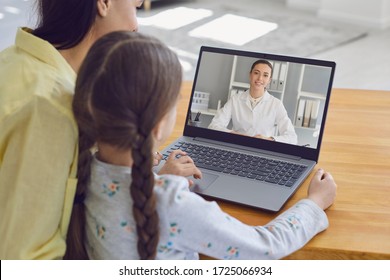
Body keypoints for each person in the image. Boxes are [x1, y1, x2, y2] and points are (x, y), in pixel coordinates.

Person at [65, 31, 337, 260]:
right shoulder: (173, 204)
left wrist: (162, 178)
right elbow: (265, 247)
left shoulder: (81, 171)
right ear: (159, 125)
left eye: (266, 75)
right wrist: (314, 203)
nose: (260, 78)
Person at [0, 0, 198, 260]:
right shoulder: (49, 110)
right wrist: (158, 191)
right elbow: (24, 260)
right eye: (135, 6)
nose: (138, 11)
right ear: (103, 3)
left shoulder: (15, 58)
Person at [208, 60, 298, 144]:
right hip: (237, 144)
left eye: (265, 75)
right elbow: (214, 126)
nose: (260, 78)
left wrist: (269, 139)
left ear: (269, 80)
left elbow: (292, 138)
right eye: (256, 73)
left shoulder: (276, 104)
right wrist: (234, 134)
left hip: (262, 149)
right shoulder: (235, 100)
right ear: (250, 75)